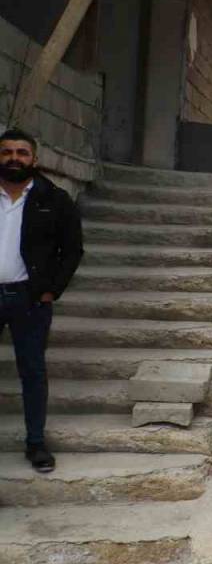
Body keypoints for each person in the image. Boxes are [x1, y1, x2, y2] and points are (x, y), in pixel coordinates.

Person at [0, 129, 83, 473]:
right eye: (7, 152)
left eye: (22, 152)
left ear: (34, 159)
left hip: (30, 299)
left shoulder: (54, 198)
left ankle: (35, 443)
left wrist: (52, 289)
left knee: (32, 372)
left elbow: (72, 249)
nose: (14, 158)